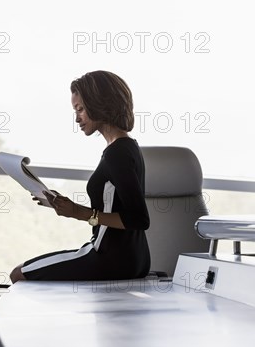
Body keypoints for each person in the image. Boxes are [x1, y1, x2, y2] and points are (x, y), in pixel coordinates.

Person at [10, 70, 151, 283]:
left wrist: (79, 212)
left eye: (81, 109)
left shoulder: (117, 153)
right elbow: (116, 206)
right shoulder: (126, 148)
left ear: (100, 103)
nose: (77, 118)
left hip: (110, 258)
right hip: (132, 258)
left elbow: (138, 219)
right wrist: (63, 205)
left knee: (18, 273)